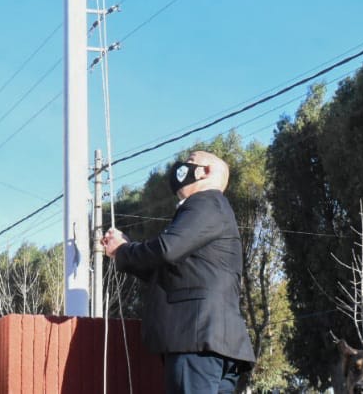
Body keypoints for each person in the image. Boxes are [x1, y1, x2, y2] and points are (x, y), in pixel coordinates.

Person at [102, 150, 256, 394]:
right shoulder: (216, 211)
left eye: (190, 161)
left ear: (206, 171)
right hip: (216, 344)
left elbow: (166, 249)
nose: (182, 167)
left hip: (196, 339)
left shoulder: (205, 202)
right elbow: (172, 270)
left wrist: (123, 250)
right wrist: (125, 251)